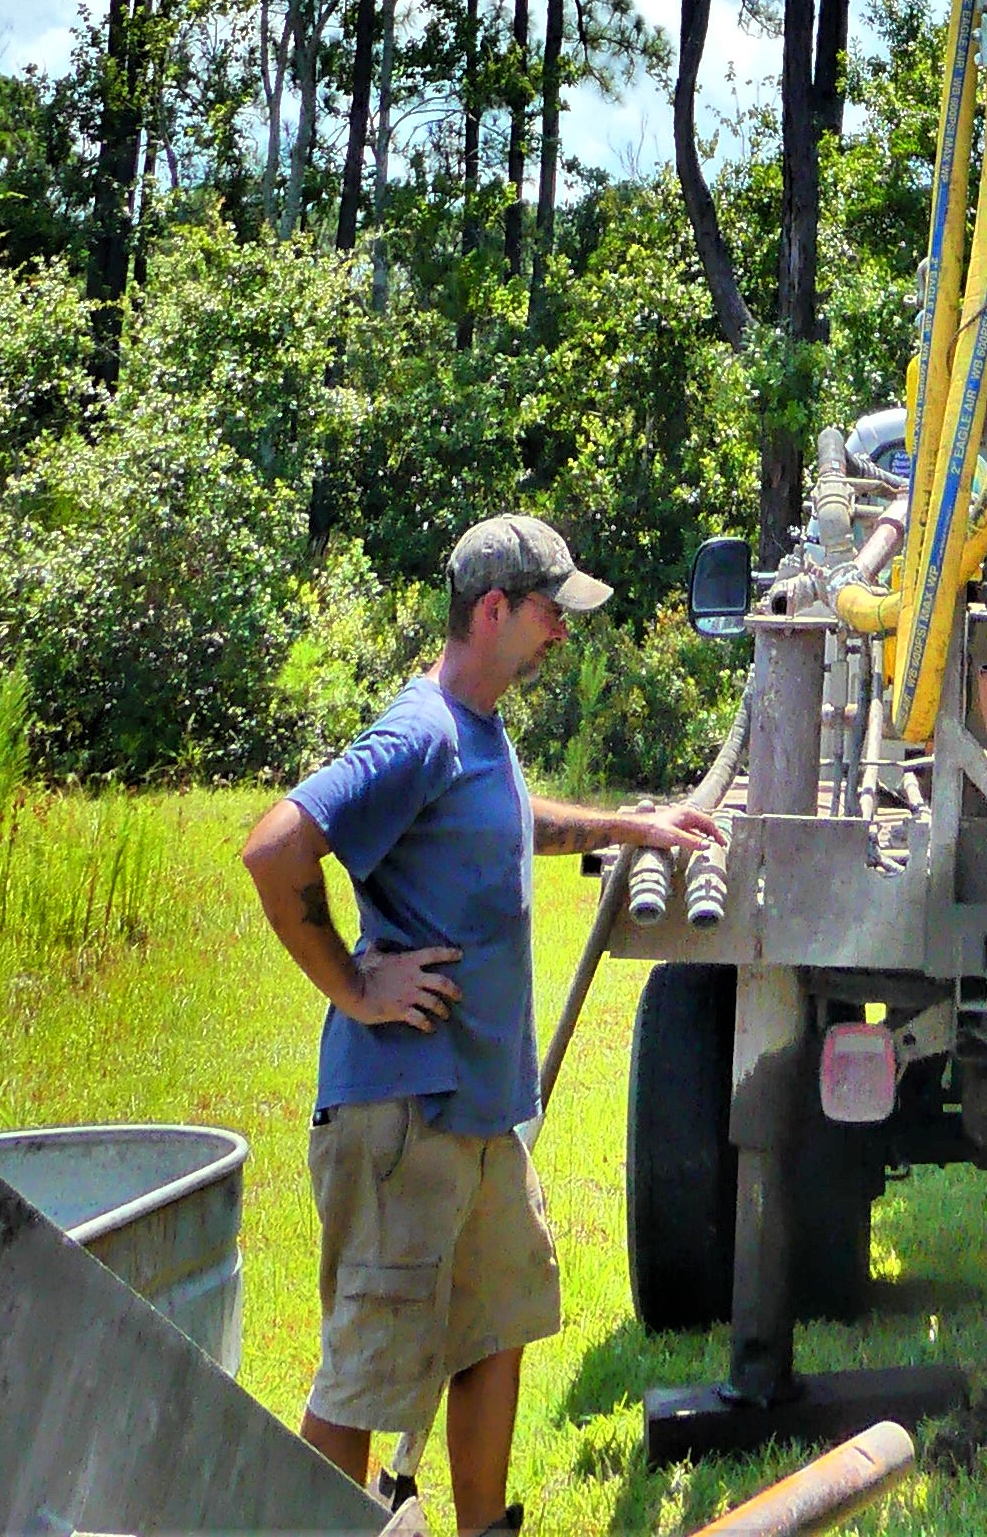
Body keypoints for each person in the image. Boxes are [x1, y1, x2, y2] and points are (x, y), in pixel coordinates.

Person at [241, 513, 724, 1533]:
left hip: (477, 1118)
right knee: (367, 1374)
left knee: (494, 1326)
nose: (561, 633)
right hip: (402, 1118)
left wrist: (635, 824)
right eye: (551, 612)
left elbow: (511, 820)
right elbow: (275, 849)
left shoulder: (477, 729)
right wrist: (354, 985)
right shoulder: (417, 730)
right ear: (494, 609)